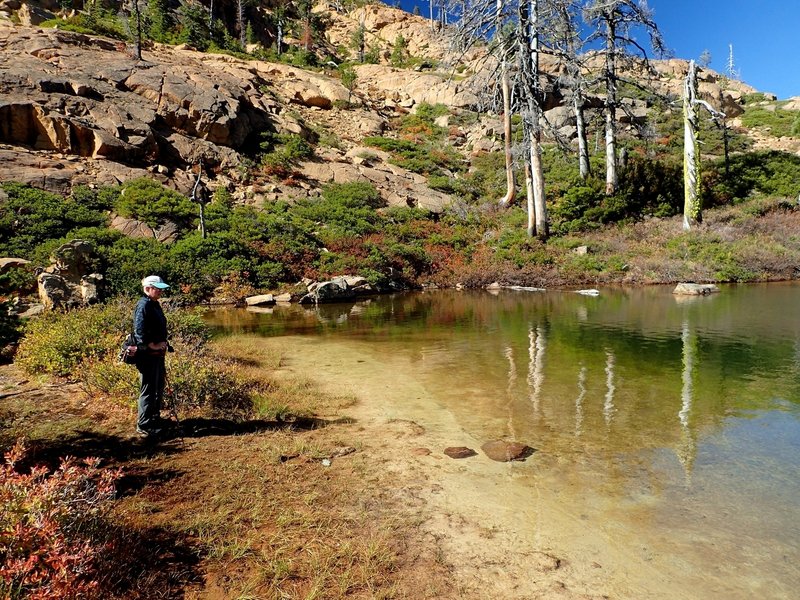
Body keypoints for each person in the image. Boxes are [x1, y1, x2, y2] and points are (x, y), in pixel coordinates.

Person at [133, 275, 171, 436]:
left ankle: (154, 418)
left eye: (161, 288)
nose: (160, 291)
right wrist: (153, 346)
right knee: (148, 389)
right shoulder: (143, 305)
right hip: (147, 355)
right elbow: (139, 332)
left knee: (157, 388)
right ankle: (144, 425)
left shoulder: (154, 304)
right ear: (148, 288)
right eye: (157, 288)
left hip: (157, 355)